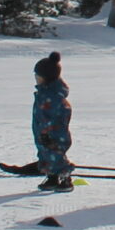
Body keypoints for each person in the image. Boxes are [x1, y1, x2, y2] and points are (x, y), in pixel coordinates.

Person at [30, 51, 75, 193]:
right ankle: (52, 177)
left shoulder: (53, 96)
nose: (36, 79)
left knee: (56, 155)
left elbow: (56, 116)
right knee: (45, 155)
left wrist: (47, 132)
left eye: (38, 76)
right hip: (43, 133)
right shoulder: (44, 93)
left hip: (54, 134)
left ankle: (65, 178)